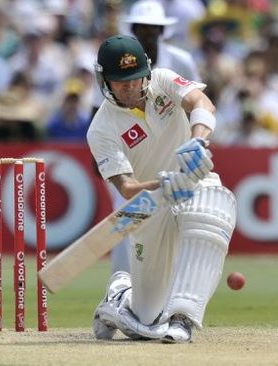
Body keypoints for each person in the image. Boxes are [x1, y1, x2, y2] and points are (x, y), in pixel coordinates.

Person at [88, 35, 236, 343]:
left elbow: (201, 102)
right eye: (120, 82)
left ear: (147, 71)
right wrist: (164, 182)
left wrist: (197, 141)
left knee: (213, 207)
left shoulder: (164, 80)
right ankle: (119, 297)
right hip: (148, 206)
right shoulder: (101, 128)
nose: (130, 88)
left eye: (134, 79)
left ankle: (183, 318)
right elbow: (127, 188)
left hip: (196, 183)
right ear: (105, 81)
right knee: (145, 317)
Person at [91, 0, 202, 282]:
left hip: (175, 149)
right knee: (127, 228)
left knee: (186, 229)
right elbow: (100, 117)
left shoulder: (177, 62)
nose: (149, 34)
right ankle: (119, 290)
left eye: (154, 29)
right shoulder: (114, 64)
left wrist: (197, 144)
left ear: (163, 31)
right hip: (129, 159)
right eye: (143, 28)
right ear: (135, 28)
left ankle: (172, 295)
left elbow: (197, 103)